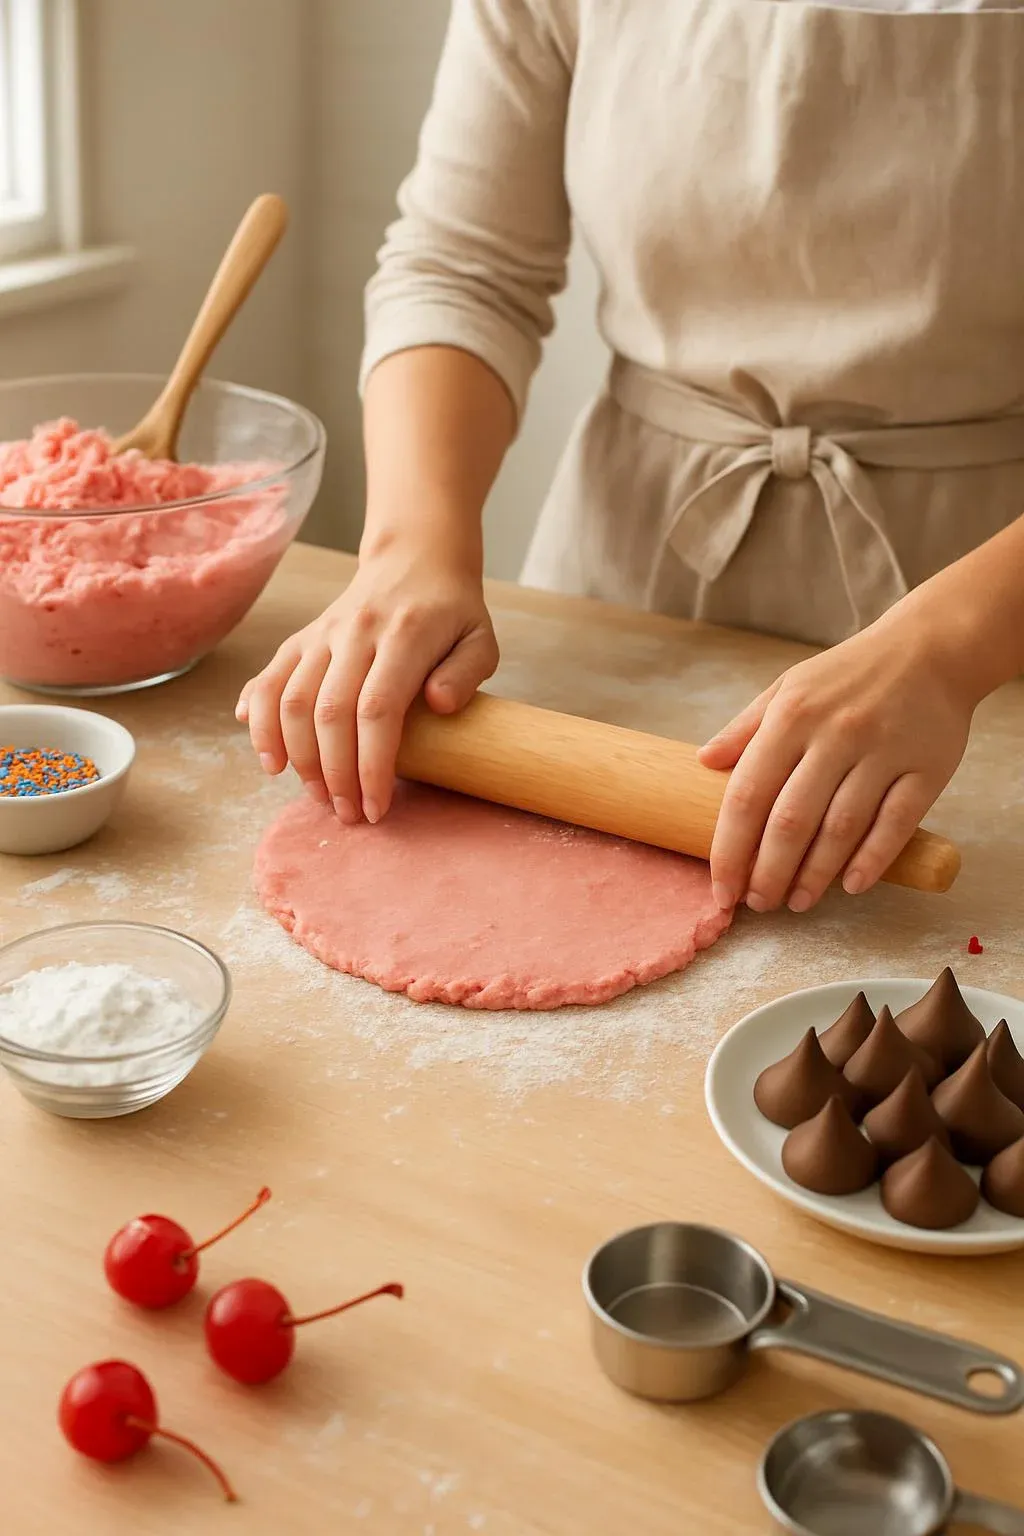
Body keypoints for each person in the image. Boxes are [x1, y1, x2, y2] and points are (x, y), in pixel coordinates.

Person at [237, 0, 1024, 915]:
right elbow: (463, 267)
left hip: (986, 599)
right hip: (624, 565)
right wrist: (411, 547)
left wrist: (949, 651)